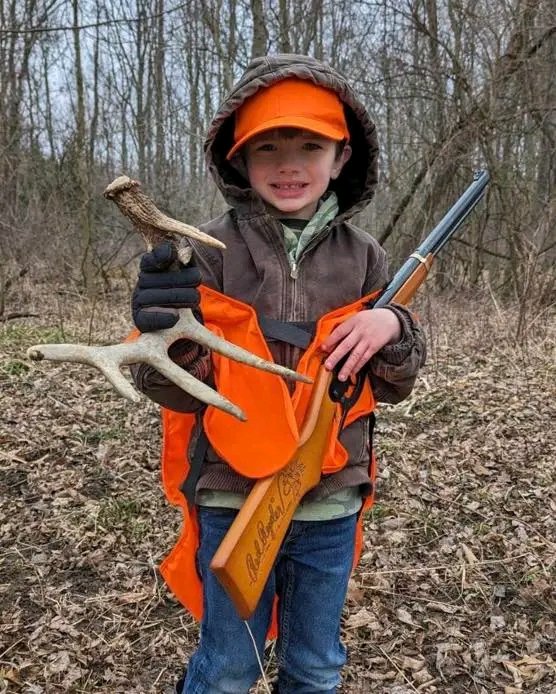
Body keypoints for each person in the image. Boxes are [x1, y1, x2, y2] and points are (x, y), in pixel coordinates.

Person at [131, 54, 426, 694]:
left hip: (331, 497)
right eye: (268, 147)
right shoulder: (201, 250)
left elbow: (396, 386)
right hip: (231, 493)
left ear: (341, 158)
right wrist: (164, 334)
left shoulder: (367, 256)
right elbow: (169, 388)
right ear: (238, 159)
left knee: (316, 667)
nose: (289, 164)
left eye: (309, 145)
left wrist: (394, 328)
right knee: (228, 668)